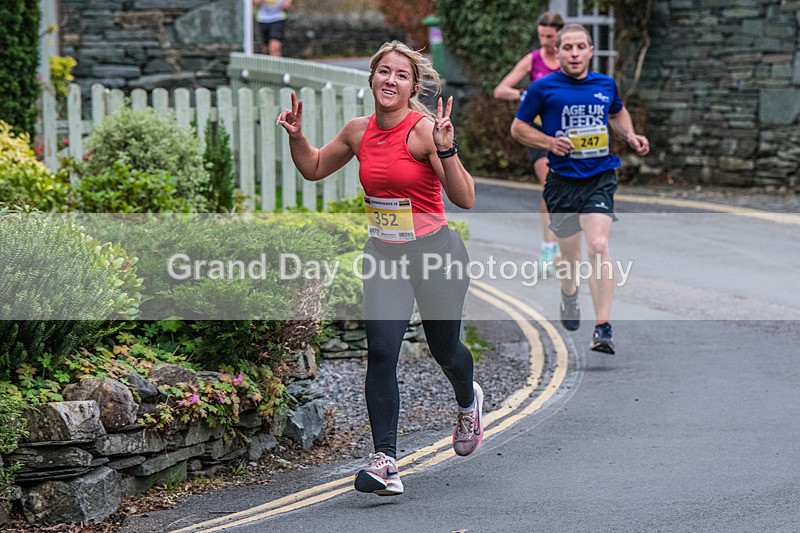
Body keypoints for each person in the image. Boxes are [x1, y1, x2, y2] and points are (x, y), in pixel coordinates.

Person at [277, 41, 484, 496]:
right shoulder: (358, 132)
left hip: (435, 254)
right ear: (371, 77)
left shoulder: (425, 131)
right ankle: (385, 461)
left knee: (445, 350)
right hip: (385, 254)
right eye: (384, 72)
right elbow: (313, 167)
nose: (391, 80)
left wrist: (447, 152)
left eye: (401, 75)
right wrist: (296, 137)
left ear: (413, 86)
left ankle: (468, 402)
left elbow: (465, 198)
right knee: (383, 351)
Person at [510, 23, 650, 354]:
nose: (574, 53)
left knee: (599, 246)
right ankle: (569, 293)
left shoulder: (604, 85)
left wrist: (629, 136)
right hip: (562, 181)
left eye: (580, 47)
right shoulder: (543, 88)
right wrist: (548, 141)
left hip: (599, 176)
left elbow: (617, 112)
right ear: (557, 53)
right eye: (567, 48)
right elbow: (518, 128)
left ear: (590, 51)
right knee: (569, 256)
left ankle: (603, 327)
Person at [494, 11, 564, 272]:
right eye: (541, 36)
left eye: (550, 36)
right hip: (537, 132)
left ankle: (565, 243)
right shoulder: (533, 60)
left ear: (560, 34)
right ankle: (549, 247)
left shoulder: (570, 58)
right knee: (550, 184)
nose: (546, 41)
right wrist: (525, 94)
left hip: (565, 133)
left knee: (566, 187)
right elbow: (500, 90)